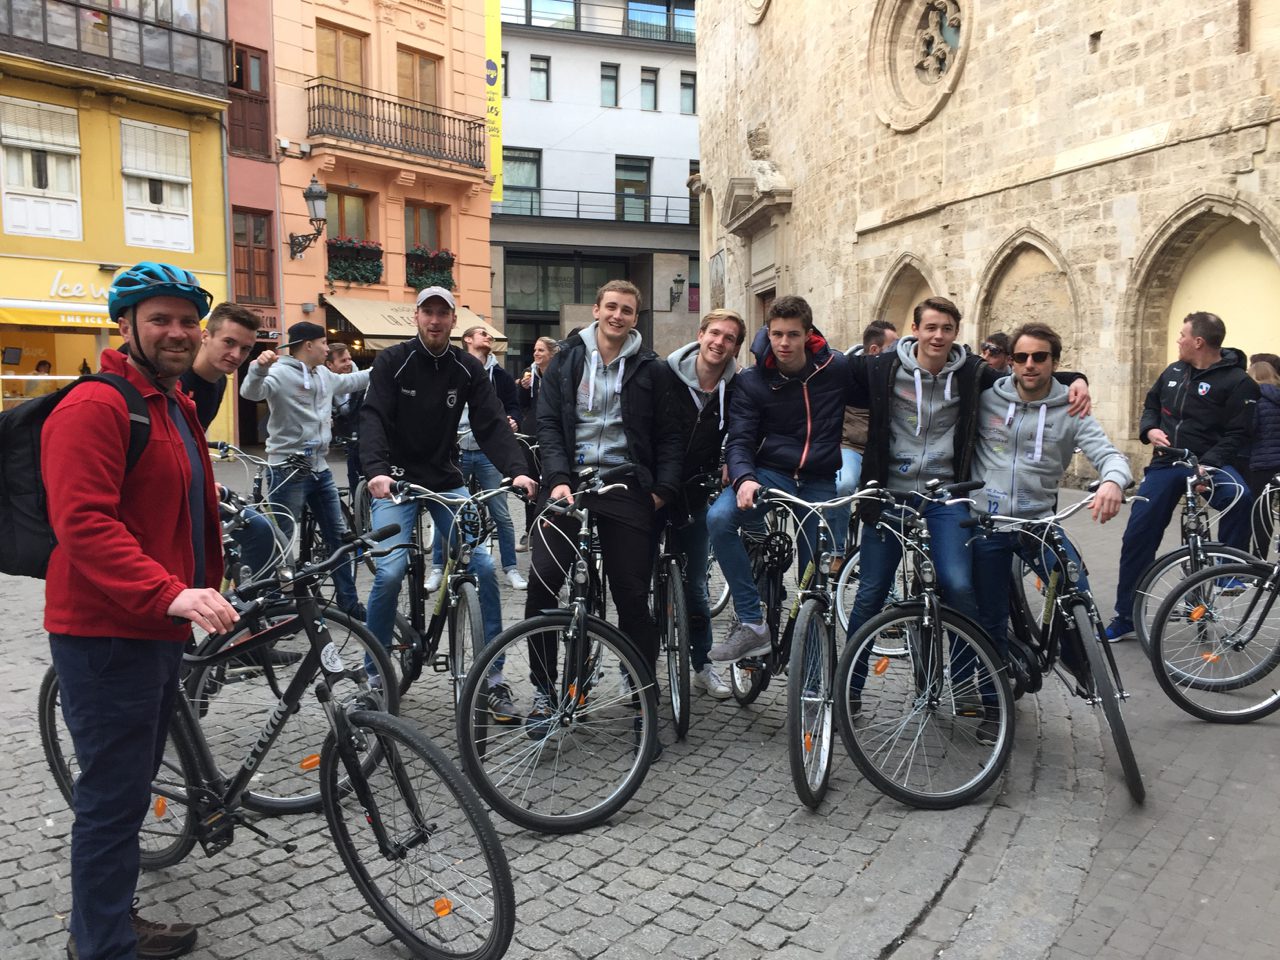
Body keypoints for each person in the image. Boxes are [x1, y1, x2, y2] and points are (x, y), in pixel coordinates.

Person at [43, 261, 238, 960]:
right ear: (125, 326)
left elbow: (180, 509)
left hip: (156, 627)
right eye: (160, 319)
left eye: (187, 321)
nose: (178, 332)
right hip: (105, 635)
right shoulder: (95, 407)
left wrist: (206, 582)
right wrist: (172, 592)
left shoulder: (174, 403)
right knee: (111, 800)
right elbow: (85, 525)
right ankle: (98, 946)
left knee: (127, 791)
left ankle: (113, 922)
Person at [841, 297, 1089, 719]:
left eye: (947, 329)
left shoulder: (973, 373)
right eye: (930, 327)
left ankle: (967, 682)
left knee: (958, 584)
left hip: (947, 496)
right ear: (915, 329)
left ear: (957, 332)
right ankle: (850, 689)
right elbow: (825, 374)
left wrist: (1078, 379)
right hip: (890, 496)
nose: (938, 336)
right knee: (870, 595)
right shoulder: (881, 368)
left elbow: (1028, 375)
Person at [360, 287, 537, 705]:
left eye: (443, 313)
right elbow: (373, 418)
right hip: (396, 481)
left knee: (481, 564)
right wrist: (376, 471)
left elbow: (492, 422)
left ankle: (492, 678)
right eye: (428, 312)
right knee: (388, 573)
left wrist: (517, 471)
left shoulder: (465, 368)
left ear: (454, 320)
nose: (435, 320)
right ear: (416, 317)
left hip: (443, 479)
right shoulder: (392, 361)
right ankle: (374, 675)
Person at [525, 280, 683, 738]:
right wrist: (556, 480)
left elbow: (670, 436)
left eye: (627, 310)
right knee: (542, 583)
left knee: (631, 595)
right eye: (610, 307)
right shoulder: (567, 362)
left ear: (637, 318)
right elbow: (550, 425)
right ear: (596, 310)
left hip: (625, 486)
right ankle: (542, 690)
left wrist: (663, 489)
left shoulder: (653, 369)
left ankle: (643, 700)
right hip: (568, 486)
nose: (617, 316)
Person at [969, 322, 1131, 661]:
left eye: (1040, 356)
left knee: (1077, 593)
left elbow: (1110, 455)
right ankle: (995, 689)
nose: (1030, 364)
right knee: (989, 617)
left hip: (1039, 525)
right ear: (1011, 361)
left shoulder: (1072, 409)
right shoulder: (986, 401)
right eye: (1021, 356)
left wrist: (1113, 481)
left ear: (1054, 362)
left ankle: (1081, 667)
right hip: (988, 523)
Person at [707, 295, 848, 663]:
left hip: (818, 480)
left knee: (816, 587)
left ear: (808, 335)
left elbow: (881, 387)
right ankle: (753, 623)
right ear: (768, 333)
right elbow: (739, 440)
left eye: (793, 335)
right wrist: (744, 479)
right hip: (770, 474)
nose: (783, 343)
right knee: (719, 519)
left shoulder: (836, 369)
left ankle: (815, 688)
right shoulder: (753, 381)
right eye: (777, 334)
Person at [1106, 311, 1259, 641]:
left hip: (1208, 462)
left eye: (1182, 335)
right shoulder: (1173, 371)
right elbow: (1151, 403)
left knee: (1240, 496)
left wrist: (1208, 464)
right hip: (1165, 464)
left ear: (1198, 342)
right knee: (1138, 535)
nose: (1178, 340)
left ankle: (1227, 573)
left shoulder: (1238, 382)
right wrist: (1150, 430)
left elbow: (1239, 434)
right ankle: (1126, 615)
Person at [239, 319, 370, 618]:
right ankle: (271, 607)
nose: (327, 348)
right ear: (308, 345)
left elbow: (355, 381)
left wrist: (388, 365)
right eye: (324, 343)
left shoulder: (324, 373)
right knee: (282, 542)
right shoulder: (279, 373)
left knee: (338, 538)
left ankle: (349, 604)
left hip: (320, 469)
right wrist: (258, 367)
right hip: (287, 469)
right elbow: (251, 392)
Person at [664, 308, 746, 698]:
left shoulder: (738, 387)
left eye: (729, 338)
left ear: (735, 348)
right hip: (654, 490)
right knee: (638, 583)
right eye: (715, 334)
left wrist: (731, 459)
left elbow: (742, 430)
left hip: (697, 491)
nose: (720, 343)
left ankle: (703, 664)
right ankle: (640, 668)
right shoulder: (664, 375)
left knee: (696, 584)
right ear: (700, 334)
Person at [181, 302, 275, 579]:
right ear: (205, 336)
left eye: (245, 349)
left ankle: (246, 612)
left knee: (262, 531)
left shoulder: (219, 380)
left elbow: (195, 440)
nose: (236, 355)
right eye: (229, 342)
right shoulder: (177, 379)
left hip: (196, 486)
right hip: (172, 494)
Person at [429, 324, 526, 591]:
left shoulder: (501, 376)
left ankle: (510, 569)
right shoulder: (452, 369)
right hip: (457, 452)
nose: (489, 337)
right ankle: (438, 567)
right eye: (483, 333)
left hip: (487, 453)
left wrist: (514, 420)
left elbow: (515, 407)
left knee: (501, 513)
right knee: (446, 510)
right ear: (468, 339)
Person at [832, 320, 899, 554]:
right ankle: (836, 550)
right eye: (893, 347)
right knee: (843, 485)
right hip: (851, 446)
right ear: (874, 351)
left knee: (891, 499)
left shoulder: (899, 375)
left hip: (882, 450)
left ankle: (886, 575)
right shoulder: (848, 371)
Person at [516, 336, 558, 551]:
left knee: (552, 481)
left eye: (541, 350)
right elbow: (522, 404)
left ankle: (549, 529)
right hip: (531, 434)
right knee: (530, 484)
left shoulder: (559, 374)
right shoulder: (529, 373)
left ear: (551, 353)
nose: (536, 354)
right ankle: (529, 530)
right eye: (535, 350)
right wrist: (524, 389)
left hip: (553, 436)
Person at [1246, 361, 1280, 559]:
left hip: (1262, 463)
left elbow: (1250, 430)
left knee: (1262, 513)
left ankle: (1259, 559)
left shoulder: (1256, 400)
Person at [326, 342, 364, 496]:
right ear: (329, 364)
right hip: (347, 436)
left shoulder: (361, 381)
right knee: (353, 476)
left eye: (349, 359)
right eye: (343, 361)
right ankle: (359, 514)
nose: (348, 363)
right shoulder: (326, 382)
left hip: (364, 435)